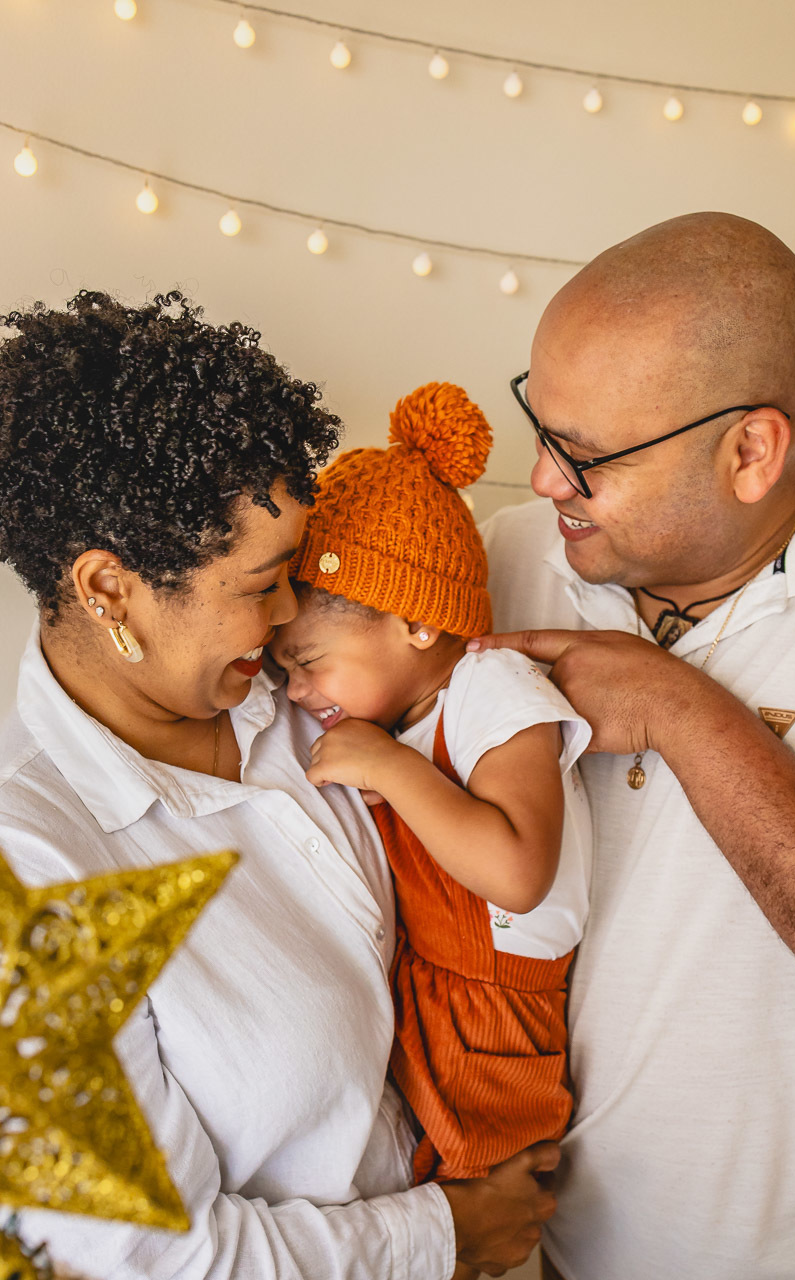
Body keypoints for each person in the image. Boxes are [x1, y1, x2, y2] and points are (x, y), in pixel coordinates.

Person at [0, 290, 558, 1280]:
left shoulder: (310, 697)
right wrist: (448, 1235)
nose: (296, 612)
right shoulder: (34, 871)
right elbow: (142, 1255)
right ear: (108, 588)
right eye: (262, 585)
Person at [471, 212, 795, 1280]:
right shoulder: (503, 558)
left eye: (586, 456)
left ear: (750, 451)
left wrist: (682, 712)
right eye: (541, 425)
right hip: (550, 1254)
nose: (541, 481)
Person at [268, 383, 592, 1210]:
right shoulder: (404, 715)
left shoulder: (493, 688)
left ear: (414, 622)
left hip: (495, 1020)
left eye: (307, 661)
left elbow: (519, 873)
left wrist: (389, 769)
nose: (297, 691)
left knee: (480, 1210)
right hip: (430, 998)